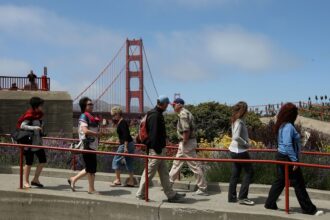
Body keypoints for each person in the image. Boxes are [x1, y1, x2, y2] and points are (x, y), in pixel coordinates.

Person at [265, 103, 324, 216]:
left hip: (281, 156)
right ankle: (309, 209)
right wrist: (294, 160)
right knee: (299, 183)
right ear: (292, 115)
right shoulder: (288, 127)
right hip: (287, 157)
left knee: (280, 181)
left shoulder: (281, 125)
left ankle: (270, 203)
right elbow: (287, 144)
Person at [136, 95, 186, 203]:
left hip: (159, 149)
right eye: (167, 104)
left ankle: (171, 195)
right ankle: (140, 194)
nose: (167, 106)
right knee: (149, 172)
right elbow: (153, 135)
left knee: (164, 173)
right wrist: (158, 149)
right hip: (156, 150)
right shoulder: (155, 116)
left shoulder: (156, 113)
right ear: (163, 104)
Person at [169, 98, 208, 196]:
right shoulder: (186, 112)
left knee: (194, 165)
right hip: (187, 142)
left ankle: (202, 188)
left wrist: (184, 141)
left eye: (174, 105)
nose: (172, 106)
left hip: (187, 142)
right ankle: (168, 184)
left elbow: (186, 130)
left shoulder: (183, 114)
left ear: (179, 105)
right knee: (176, 163)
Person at [68, 97, 101, 194]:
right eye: (89, 104)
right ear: (84, 106)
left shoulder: (91, 116)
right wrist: (97, 134)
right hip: (87, 145)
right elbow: (85, 130)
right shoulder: (83, 117)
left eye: (92, 104)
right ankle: (91, 189)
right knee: (91, 168)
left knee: (91, 168)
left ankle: (73, 179)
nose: (92, 106)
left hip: (92, 145)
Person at [228, 101, 255, 205]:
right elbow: (235, 137)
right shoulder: (239, 121)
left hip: (233, 150)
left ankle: (231, 197)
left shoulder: (234, 120)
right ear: (244, 110)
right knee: (249, 172)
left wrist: (246, 139)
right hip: (240, 151)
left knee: (235, 173)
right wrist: (246, 144)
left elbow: (235, 136)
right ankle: (243, 197)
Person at [17, 97, 46, 188]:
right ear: (36, 106)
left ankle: (35, 179)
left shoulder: (38, 114)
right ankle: (26, 181)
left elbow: (38, 125)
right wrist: (34, 128)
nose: (42, 107)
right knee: (29, 162)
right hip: (29, 143)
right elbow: (22, 125)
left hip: (37, 142)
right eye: (41, 105)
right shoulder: (30, 114)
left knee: (43, 160)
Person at [110, 106, 136, 187]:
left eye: (114, 115)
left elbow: (125, 135)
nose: (113, 117)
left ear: (118, 114)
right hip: (131, 143)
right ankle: (131, 181)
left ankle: (118, 180)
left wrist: (125, 146)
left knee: (116, 160)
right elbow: (124, 135)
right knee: (129, 161)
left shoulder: (122, 122)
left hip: (126, 144)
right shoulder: (122, 122)